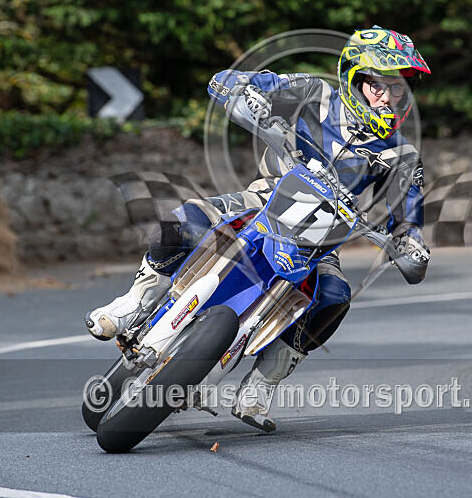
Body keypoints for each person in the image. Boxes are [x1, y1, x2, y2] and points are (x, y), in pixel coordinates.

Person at [84, 26, 432, 432]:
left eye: (398, 88)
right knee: (182, 221)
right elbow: (241, 82)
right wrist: (241, 91)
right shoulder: (312, 93)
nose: (388, 97)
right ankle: (133, 303)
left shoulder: (402, 155)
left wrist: (411, 243)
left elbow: (408, 214)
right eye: (378, 85)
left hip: (322, 239)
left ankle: (263, 383)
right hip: (261, 200)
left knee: (334, 297)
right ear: (354, 78)